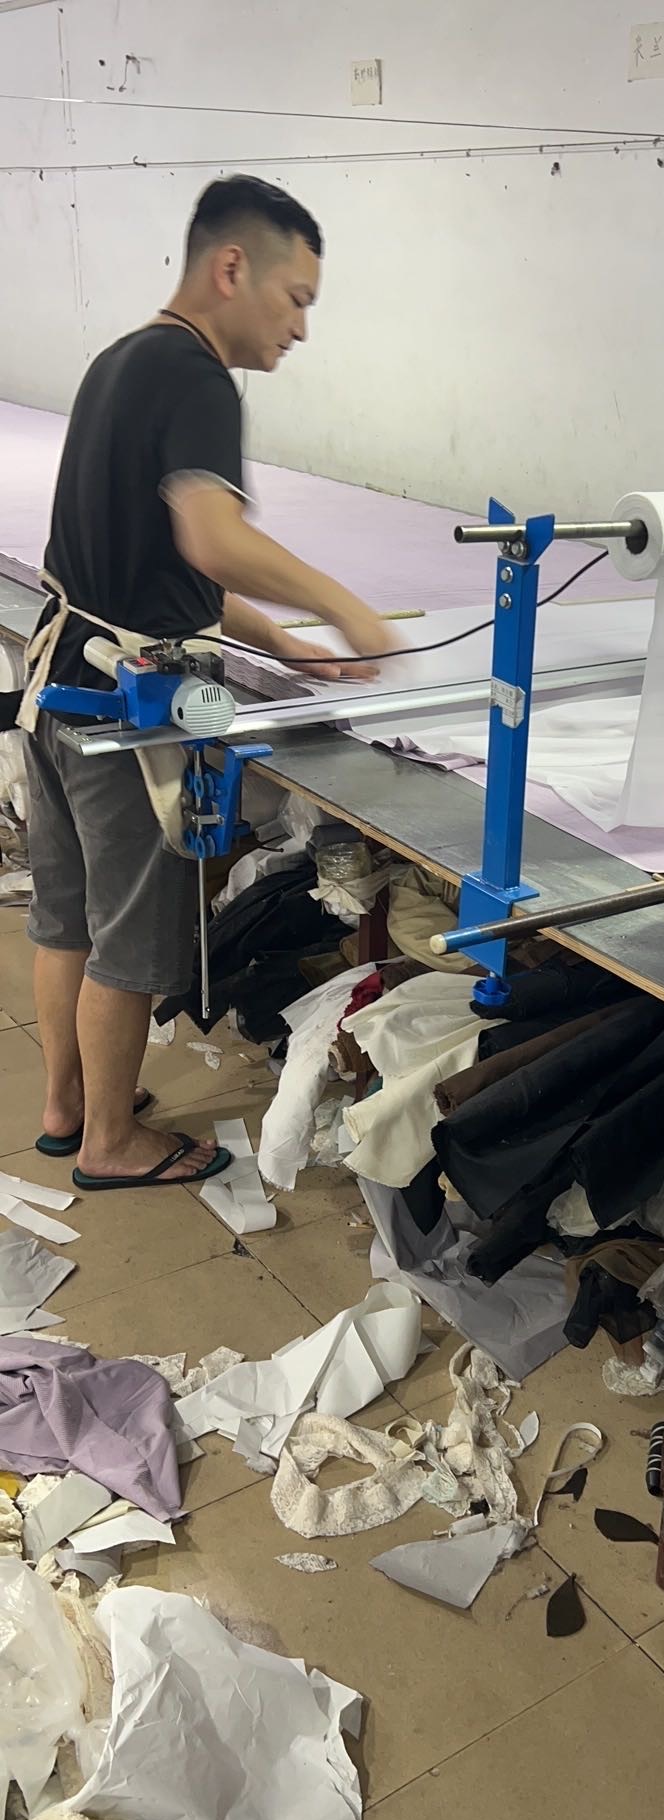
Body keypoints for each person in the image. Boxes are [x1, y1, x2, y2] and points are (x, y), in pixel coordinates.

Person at [19, 175, 397, 1193]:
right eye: (296, 298)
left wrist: (286, 644)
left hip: (61, 679)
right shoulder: (197, 378)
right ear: (233, 267)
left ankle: (65, 1107)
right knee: (130, 935)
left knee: (66, 916)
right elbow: (211, 540)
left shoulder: (119, 362)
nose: (300, 328)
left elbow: (168, 571)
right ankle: (111, 1144)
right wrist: (345, 608)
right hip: (127, 709)